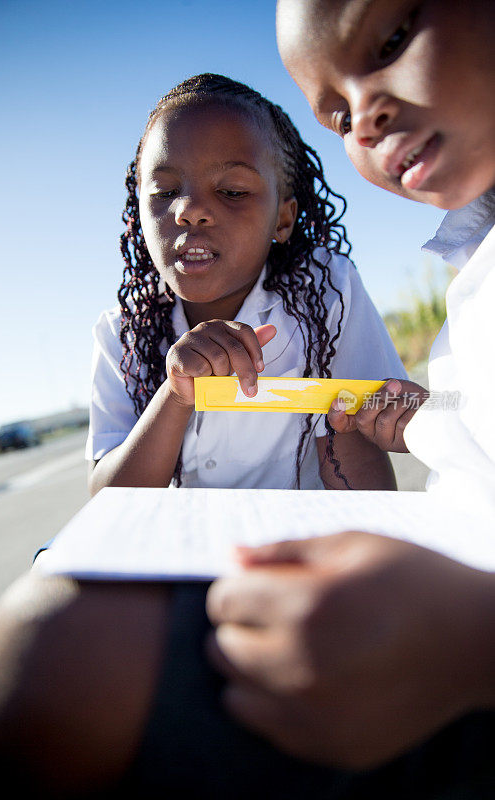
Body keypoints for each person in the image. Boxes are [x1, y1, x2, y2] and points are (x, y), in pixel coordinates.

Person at [203, 0, 495, 781]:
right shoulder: (475, 264)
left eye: (391, 39)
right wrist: (419, 426)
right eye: (333, 115)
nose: (360, 117)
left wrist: (467, 639)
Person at [86, 73, 403, 496]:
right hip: (185, 553)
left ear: (283, 219)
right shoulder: (123, 332)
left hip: (304, 549)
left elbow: (372, 497)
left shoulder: (328, 293)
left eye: (232, 191)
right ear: (136, 211)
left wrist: (344, 422)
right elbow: (107, 499)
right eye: (164, 191)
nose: (190, 210)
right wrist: (176, 396)